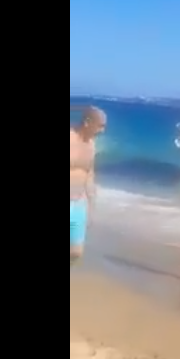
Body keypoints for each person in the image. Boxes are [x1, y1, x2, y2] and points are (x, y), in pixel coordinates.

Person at [69, 106, 106, 261]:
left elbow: (89, 173)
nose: (102, 131)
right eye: (100, 126)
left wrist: (91, 205)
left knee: (76, 253)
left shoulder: (91, 144)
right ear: (87, 122)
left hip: (78, 203)